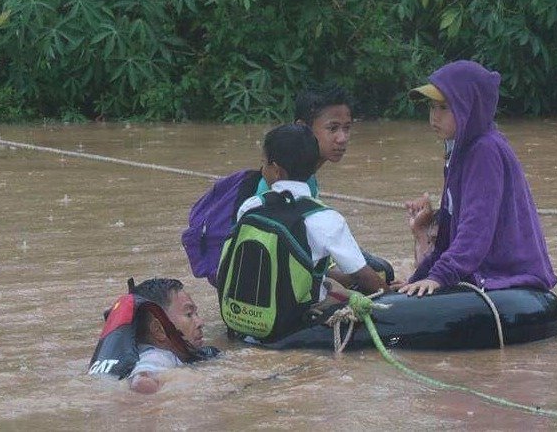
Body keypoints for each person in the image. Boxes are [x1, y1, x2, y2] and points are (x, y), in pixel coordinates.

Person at [397, 60, 557, 297]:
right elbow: (448, 236)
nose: (434, 116)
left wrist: (441, 276)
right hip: (482, 269)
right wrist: (420, 277)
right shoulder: (459, 150)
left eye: (444, 107)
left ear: (468, 107)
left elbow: (476, 226)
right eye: (432, 107)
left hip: (508, 275)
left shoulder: (484, 150)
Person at [217, 124, 387, 342]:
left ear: (276, 170)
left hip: (240, 320)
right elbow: (360, 274)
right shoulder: (326, 218)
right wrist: (390, 293)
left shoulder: (250, 206)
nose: (262, 170)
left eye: (264, 163)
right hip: (297, 324)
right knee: (381, 273)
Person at [182, 86, 354, 286]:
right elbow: (270, 256)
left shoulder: (305, 178)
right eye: (332, 128)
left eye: (347, 128)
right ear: (303, 128)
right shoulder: (275, 189)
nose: (342, 138)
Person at [128, 278, 209, 394]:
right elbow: (141, 382)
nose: (200, 322)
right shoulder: (157, 356)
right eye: (189, 314)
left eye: (196, 313)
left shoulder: (139, 352)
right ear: (158, 329)